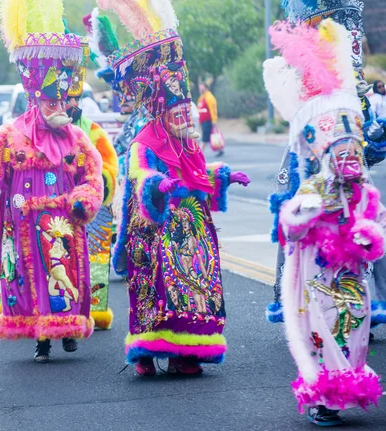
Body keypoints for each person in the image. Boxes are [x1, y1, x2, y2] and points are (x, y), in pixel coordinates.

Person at [98, 0, 250, 377]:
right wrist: (158, 184)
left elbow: (198, 175)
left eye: (188, 113)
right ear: (164, 113)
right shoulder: (144, 141)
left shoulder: (189, 144)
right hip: (155, 227)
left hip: (193, 228)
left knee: (196, 286)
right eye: (178, 114)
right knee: (157, 288)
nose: (186, 119)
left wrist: (223, 175)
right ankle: (148, 352)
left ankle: (188, 352)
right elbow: (139, 175)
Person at [264, 19, 384, 426]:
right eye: (341, 151)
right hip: (317, 276)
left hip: (351, 274)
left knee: (355, 325)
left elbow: (377, 220)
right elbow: (291, 225)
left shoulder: (362, 188)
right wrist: (311, 211)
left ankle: (348, 384)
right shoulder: (314, 185)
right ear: (326, 154)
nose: (349, 158)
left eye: (354, 149)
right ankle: (322, 395)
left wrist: (370, 234)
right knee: (323, 326)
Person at [0, 0, 103, 363]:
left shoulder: (75, 137)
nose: (58, 108)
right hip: (23, 224)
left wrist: (84, 199)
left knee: (64, 276)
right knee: (30, 281)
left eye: (60, 102)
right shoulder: (10, 135)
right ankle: (41, 340)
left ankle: (68, 330)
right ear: (34, 101)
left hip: (60, 224)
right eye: (49, 103)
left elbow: (93, 174)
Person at [66, 37, 118, 330]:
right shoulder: (35, 130)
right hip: (53, 209)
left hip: (87, 209)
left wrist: (97, 188)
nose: (72, 104)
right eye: (66, 99)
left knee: (86, 264)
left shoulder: (93, 131)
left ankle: (90, 309)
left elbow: (109, 167)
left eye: (76, 98)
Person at [197, 82, 220, 155]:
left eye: (202, 86)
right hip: (203, 121)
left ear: (206, 87)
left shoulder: (209, 97)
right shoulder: (201, 98)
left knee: (204, 138)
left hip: (208, 121)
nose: (200, 88)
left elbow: (213, 109)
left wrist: (214, 120)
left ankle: (199, 153)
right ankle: (219, 149)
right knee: (209, 135)